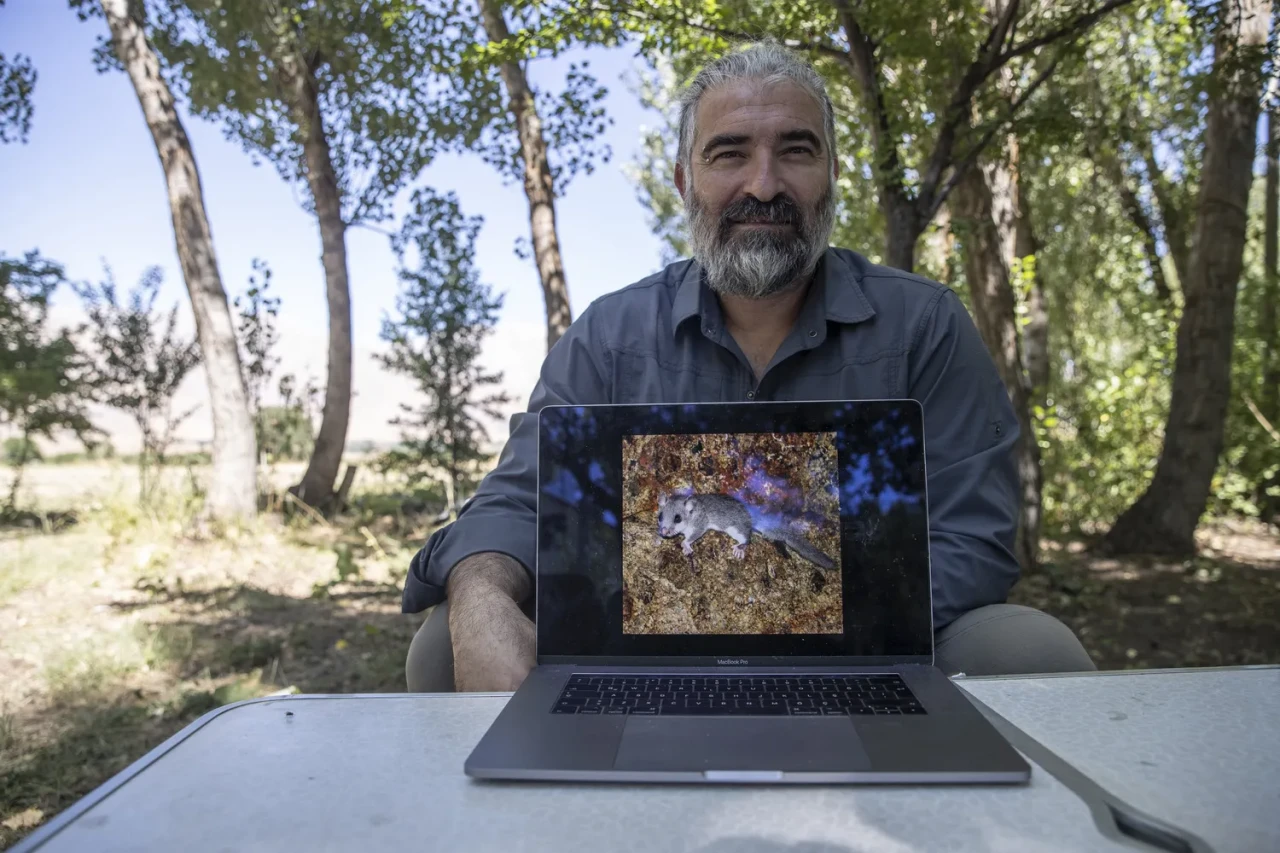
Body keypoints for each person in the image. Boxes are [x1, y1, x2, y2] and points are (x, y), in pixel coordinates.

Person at [402, 39, 1095, 693]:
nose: (764, 185)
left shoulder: (924, 326)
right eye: (729, 153)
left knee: (1033, 650)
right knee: (446, 642)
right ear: (685, 181)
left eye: (796, 150)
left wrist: (794, 617)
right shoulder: (609, 337)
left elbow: (973, 530)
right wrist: (480, 595)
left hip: (874, 647)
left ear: (832, 174)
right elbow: (518, 500)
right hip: (643, 653)